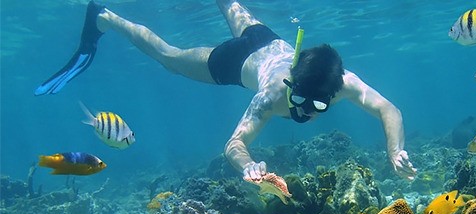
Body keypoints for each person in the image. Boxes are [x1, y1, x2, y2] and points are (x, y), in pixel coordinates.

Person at [35, 0, 417, 181]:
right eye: (298, 98)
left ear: (335, 92)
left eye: (318, 104)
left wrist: (395, 149)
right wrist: (247, 164)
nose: (306, 111)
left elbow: (389, 110)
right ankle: (104, 16)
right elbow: (234, 143)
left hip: (266, 38)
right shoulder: (272, 93)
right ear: (291, 81)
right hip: (234, 62)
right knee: (168, 56)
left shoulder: (343, 83)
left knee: (231, 5)